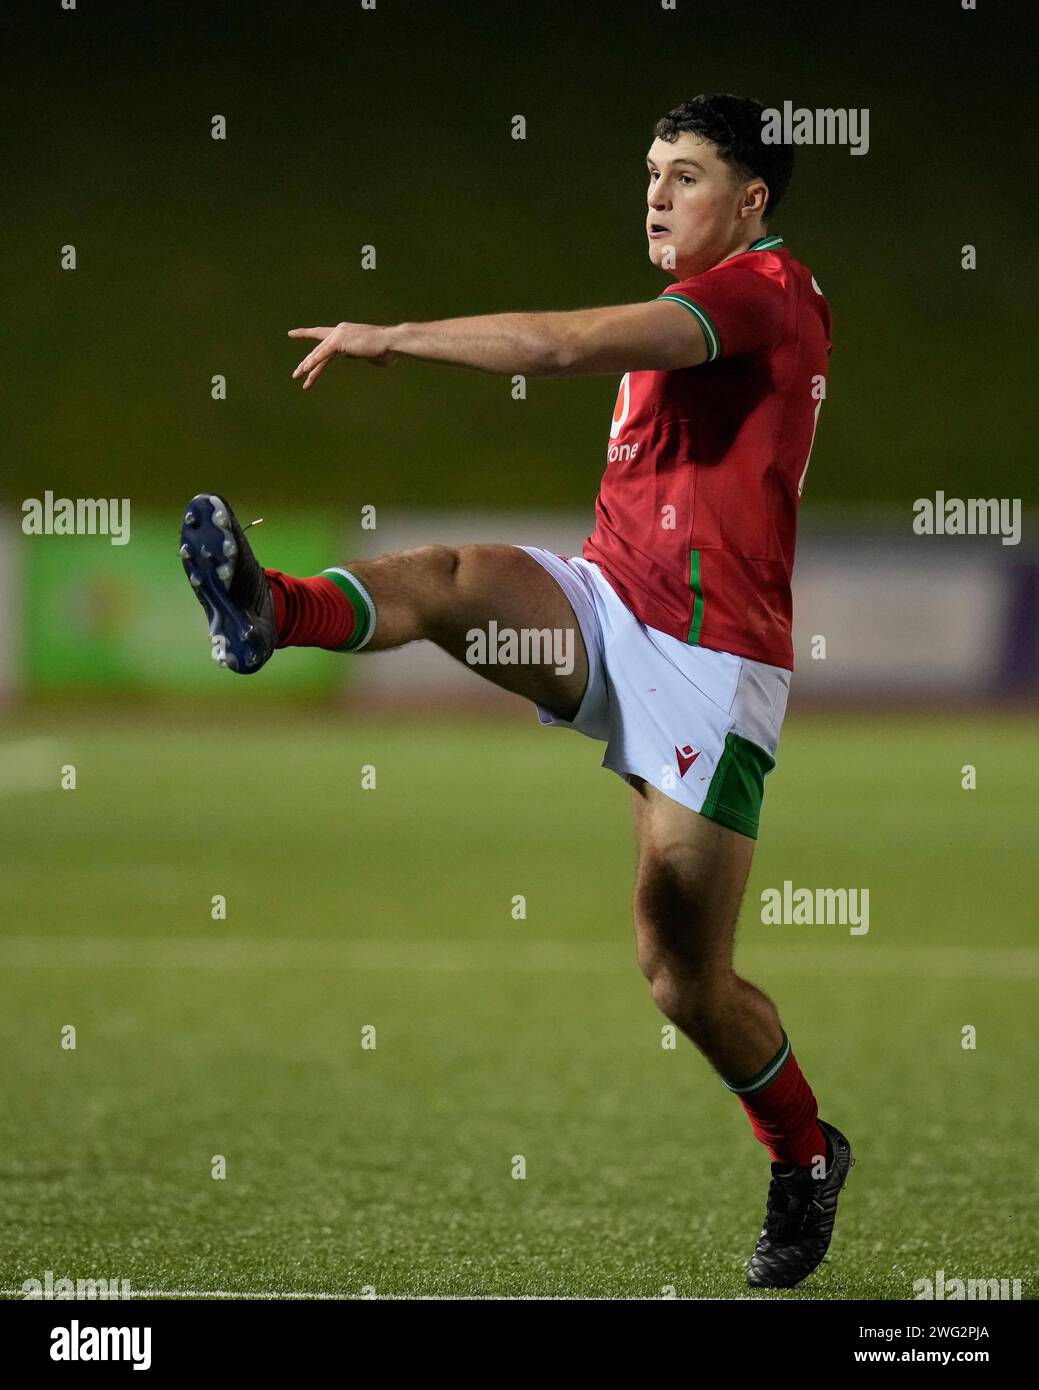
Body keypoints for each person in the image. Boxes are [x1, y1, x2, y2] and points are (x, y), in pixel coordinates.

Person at [179, 93, 852, 1290]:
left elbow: (557, 346)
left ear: (749, 202)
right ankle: (270, 609)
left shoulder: (764, 291)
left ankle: (804, 1152)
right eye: (650, 169)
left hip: (711, 664)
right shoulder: (699, 299)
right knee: (452, 578)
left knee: (680, 973)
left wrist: (393, 337)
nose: (654, 193)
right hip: (606, 610)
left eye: (684, 174)